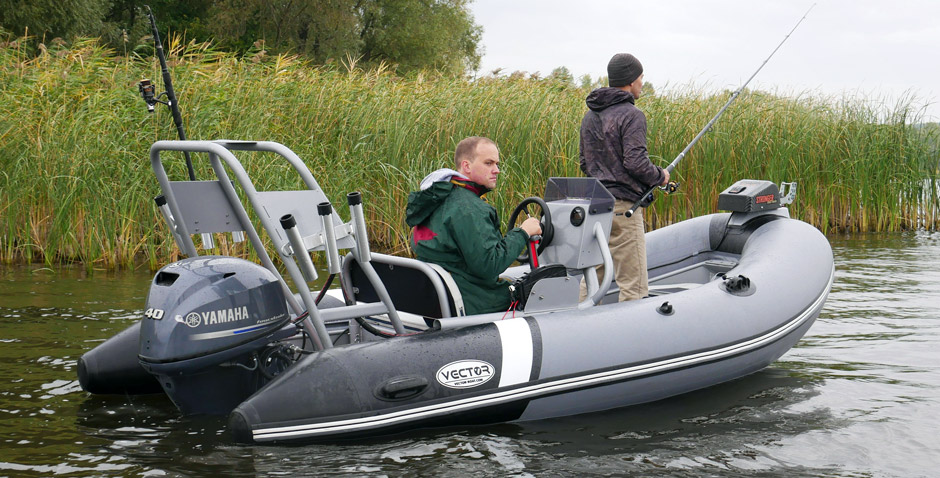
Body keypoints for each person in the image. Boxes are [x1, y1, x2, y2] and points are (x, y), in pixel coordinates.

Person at [405, 136, 542, 315]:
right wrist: (524, 232)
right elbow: (489, 265)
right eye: (489, 163)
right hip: (471, 302)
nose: (497, 170)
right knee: (541, 292)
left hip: (436, 298)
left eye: (497, 164)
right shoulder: (470, 209)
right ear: (466, 166)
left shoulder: (436, 198)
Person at [579, 53, 670, 302]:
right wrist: (660, 175)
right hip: (623, 209)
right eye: (641, 78)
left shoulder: (590, 116)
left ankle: (577, 332)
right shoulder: (632, 115)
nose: (642, 83)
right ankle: (634, 340)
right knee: (634, 287)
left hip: (595, 206)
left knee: (590, 280)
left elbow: (585, 163)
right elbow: (635, 162)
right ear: (631, 81)